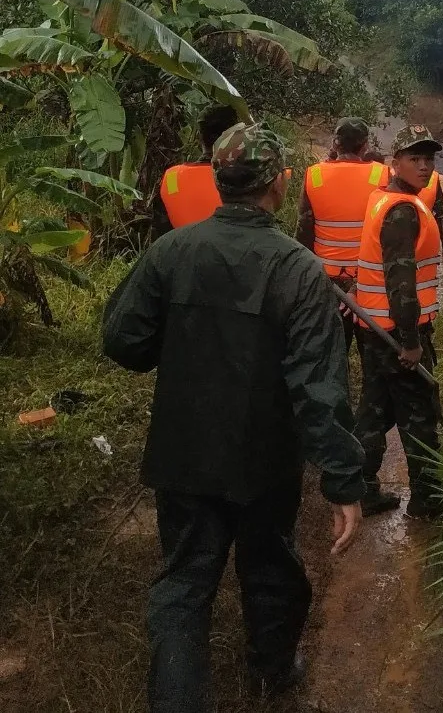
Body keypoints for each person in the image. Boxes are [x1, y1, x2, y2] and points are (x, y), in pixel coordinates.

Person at [102, 122, 365, 711]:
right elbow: (319, 389)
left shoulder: (171, 250)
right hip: (264, 460)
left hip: (182, 453)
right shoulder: (300, 270)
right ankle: (276, 668)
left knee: (184, 583)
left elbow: (123, 341)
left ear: (220, 182)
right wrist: (344, 482)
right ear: (278, 183)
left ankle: (176, 701)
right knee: (271, 565)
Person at [354, 125, 443, 520]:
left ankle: (360, 487)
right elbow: (401, 282)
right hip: (397, 331)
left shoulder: (384, 197)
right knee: (419, 418)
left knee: (376, 409)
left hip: (373, 328)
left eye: (429, 159)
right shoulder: (403, 210)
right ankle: (426, 502)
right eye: (415, 159)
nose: (424, 166)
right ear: (396, 162)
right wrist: (410, 340)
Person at [296, 117, 389, 354]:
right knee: (373, 353)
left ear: (336, 144)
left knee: (332, 352)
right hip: (368, 280)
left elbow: (304, 231)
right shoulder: (382, 175)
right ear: (365, 145)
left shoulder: (314, 175)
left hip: (328, 281)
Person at [157, 105, 238, 231]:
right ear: (235, 137)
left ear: (199, 136)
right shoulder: (241, 178)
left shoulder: (172, 177)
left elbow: (162, 227)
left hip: (180, 248)